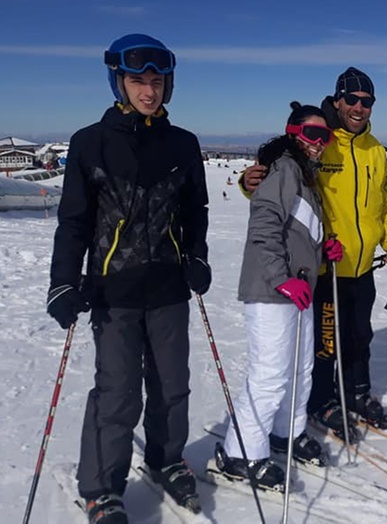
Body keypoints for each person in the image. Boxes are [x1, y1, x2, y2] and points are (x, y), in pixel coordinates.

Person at [45, 34, 209, 523]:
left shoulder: (183, 144)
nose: (149, 90)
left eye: (157, 81)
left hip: (167, 287)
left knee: (172, 384)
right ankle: (101, 489)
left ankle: (166, 459)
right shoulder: (89, 143)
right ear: (118, 81)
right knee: (117, 391)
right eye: (138, 80)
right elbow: (73, 221)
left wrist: (196, 257)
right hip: (112, 289)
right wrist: (63, 281)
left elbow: (195, 211)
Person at [213, 102, 342, 491]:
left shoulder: (306, 176)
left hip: (299, 289)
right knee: (270, 376)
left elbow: (298, 231)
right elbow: (264, 226)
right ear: (293, 133)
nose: (319, 142)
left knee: (300, 371)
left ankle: (287, 432)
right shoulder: (284, 169)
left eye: (326, 136)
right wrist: (281, 278)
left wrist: (324, 246)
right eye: (312, 134)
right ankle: (240, 453)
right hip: (272, 290)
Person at [306, 67, 387, 435]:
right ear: (337, 102)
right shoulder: (320, 140)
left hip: (362, 267)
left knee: (360, 335)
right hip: (326, 269)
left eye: (367, 102)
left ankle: (356, 392)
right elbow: (281, 180)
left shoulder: (375, 149)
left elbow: (384, 204)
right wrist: (249, 184)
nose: (359, 107)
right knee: (325, 342)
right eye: (352, 100)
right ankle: (320, 400)